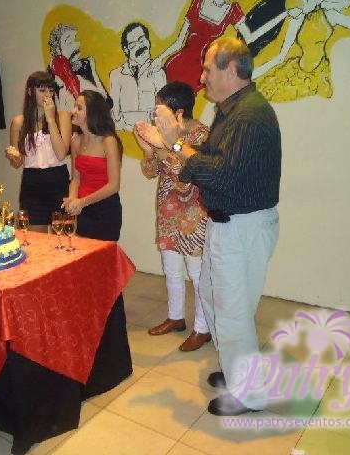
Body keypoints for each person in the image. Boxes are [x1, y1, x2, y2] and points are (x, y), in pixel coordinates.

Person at [136, 38, 281, 416]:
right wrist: (167, 145)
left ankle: (249, 394)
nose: (201, 78)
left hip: (242, 226)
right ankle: (236, 373)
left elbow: (220, 174)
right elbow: (211, 161)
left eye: (207, 69)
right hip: (226, 224)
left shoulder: (249, 115)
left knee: (233, 312)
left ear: (230, 70)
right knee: (215, 300)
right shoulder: (232, 111)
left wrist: (174, 144)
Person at [134, 82, 211, 352]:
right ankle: (175, 317)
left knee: (198, 274)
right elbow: (150, 172)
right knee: (172, 270)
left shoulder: (200, 134)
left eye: (160, 108)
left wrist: (161, 147)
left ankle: (203, 328)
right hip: (168, 210)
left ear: (178, 112)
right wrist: (148, 151)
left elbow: (186, 178)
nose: (155, 114)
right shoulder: (162, 133)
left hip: (194, 212)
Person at [154, 0, 289, 93]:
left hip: (199, 73)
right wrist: (158, 59)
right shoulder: (198, 0)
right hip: (177, 63)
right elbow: (179, 42)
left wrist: (284, 14)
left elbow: (251, 37)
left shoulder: (233, 10)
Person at [5, 71, 72, 233]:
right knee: (35, 240)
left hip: (58, 180)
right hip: (32, 183)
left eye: (51, 90)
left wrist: (50, 119)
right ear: (30, 91)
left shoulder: (63, 116)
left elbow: (61, 153)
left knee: (61, 238)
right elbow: (18, 162)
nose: (47, 95)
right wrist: (13, 156)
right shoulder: (19, 122)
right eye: (42, 90)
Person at [64, 90, 122, 241]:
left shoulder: (108, 141)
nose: (73, 111)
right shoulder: (75, 141)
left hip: (105, 210)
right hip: (83, 210)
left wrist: (82, 202)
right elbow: (75, 179)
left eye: (79, 108)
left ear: (92, 113)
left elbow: (114, 185)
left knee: (104, 255)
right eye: (74, 107)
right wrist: (72, 201)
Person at [109, 22, 167, 129]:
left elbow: (162, 112)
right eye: (133, 45)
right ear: (126, 50)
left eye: (142, 40)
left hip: (152, 134)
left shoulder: (158, 73)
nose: (140, 46)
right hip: (123, 134)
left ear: (148, 41)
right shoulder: (116, 75)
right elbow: (114, 114)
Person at [48, 23, 110, 112]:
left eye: (75, 40)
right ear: (58, 50)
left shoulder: (84, 68)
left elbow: (107, 104)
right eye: (69, 43)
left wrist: (93, 72)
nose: (77, 45)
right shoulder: (51, 78)